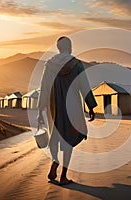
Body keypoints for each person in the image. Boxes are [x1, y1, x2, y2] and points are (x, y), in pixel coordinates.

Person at [37, 36, 97, 185]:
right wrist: (90, 106)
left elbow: (44, 87)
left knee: (54, 137)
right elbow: (84, 85)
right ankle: (63, 176)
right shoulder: (76, 64)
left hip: (54, 106)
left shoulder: (50, 64)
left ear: (58, 48)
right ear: (69, 47)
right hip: (72, 107)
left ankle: (55, 160)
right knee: (68, 140)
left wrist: (40, 110)